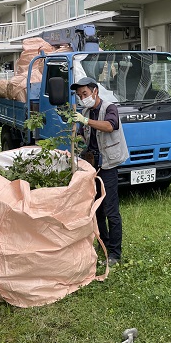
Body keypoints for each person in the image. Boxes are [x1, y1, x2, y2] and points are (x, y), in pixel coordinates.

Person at [70, 76, 128, 266]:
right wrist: (75, 135)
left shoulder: (109, 108)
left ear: (95, 91)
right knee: (96, 209)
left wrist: (85, 121)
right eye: (79, 95)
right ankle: (104, 244)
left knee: (111, 209)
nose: (82, 97)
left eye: (84, 93)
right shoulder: (86, 111)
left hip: (108, 165)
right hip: (91, 165)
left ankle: (115, 254)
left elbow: (110, 126)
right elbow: (82, 135)